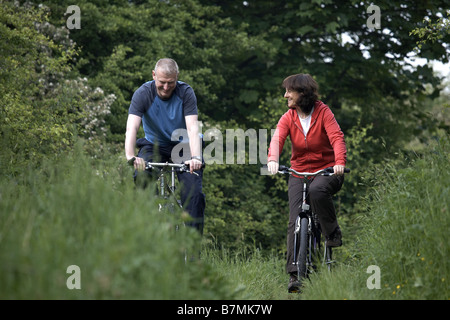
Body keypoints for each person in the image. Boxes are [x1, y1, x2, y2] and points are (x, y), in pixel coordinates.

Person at [267, 73, 347, 292]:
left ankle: (332, 233)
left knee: (317, 190)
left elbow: (337, 138)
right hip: (298, 172)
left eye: (289, 92)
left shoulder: (323, 113)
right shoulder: (288, 117)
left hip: (327, 170)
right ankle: (295, 275)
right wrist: (273, 159)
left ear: (302, 93)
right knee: (295, 221)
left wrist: (339, 162)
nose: (285, 96)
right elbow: (277, 139)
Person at [125, 58, 206, 234]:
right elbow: (132, 126)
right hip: (155, 144)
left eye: (171, 83)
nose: (166, 87)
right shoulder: (143, 93)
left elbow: (192, 128)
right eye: (162, 82)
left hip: (185, 145)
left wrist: (196, 158)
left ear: (177, 78)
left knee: (194, 193)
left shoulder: (186, 92)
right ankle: (149, 222)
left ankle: (192, 247)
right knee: (140, 177)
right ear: (154, 76)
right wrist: (131, 156)